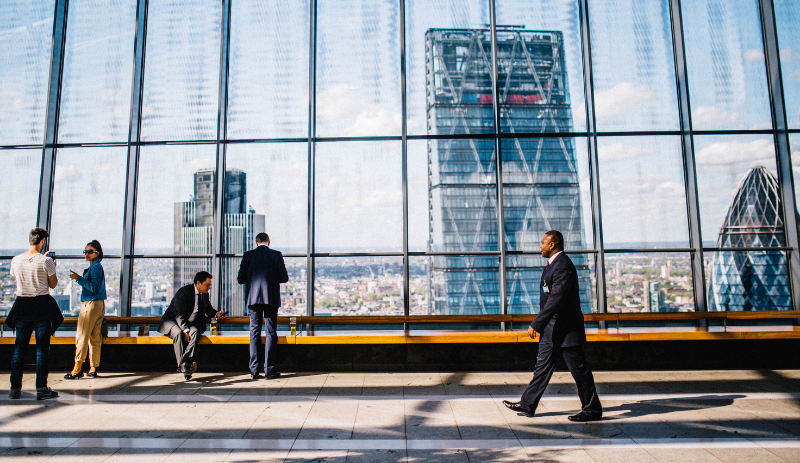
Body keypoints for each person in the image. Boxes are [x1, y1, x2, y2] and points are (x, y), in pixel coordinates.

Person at [503, 230, 603, 422]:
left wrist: (537, 323)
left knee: (579, 371)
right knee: (541, 368)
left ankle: (592, 409)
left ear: (553, 244)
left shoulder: (563, 266)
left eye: (542, 243)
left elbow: (555, 300)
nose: (539, 246)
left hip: (566, 330)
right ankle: (527, 404)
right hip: (552, 330)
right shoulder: (554, 265)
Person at [6, 228, 60, 400]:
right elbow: (52, 285)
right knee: (42, 350)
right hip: (41, 306)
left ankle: (15, 389)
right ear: (43, 241)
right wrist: (53, 266)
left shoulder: (15, 260)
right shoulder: (46, 261)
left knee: (19, 349)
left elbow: (18, 281)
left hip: (22, 305)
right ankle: (41, 389)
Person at [238, 232, 289, 380]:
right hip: (271, 298)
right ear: (269, 242)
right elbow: (284, 278)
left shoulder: (247, 255)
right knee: (271, 332)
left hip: (253, 299)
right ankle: (269, 370)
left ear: (256, 243)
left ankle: (254, 370)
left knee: (254, 332)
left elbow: (241, 279)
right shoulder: (276, 255)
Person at [158, 271, 226, 380]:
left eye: (210, 285)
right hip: (172, 322)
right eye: (207, 285)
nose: (209, 288)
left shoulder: (204, 294)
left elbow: (208, 309)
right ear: (198, 283)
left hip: (189, 323)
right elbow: (178, 315)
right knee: (179, 334)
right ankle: (185, 367)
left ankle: (185, 364)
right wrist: (185, 330)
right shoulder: (183, 292)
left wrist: (216, 314)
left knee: (195, 332)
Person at [65, 240, 107, 379]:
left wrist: (78, 278)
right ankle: (93, 368)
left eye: (90, 251)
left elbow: (93, 287)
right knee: (95, 337)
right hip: (99, 305)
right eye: (85, 251)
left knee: (82, 336)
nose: (87, 254)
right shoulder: (97, 267)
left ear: (97, 253)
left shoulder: (95, 268)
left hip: (90, 304)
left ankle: (77, 369)